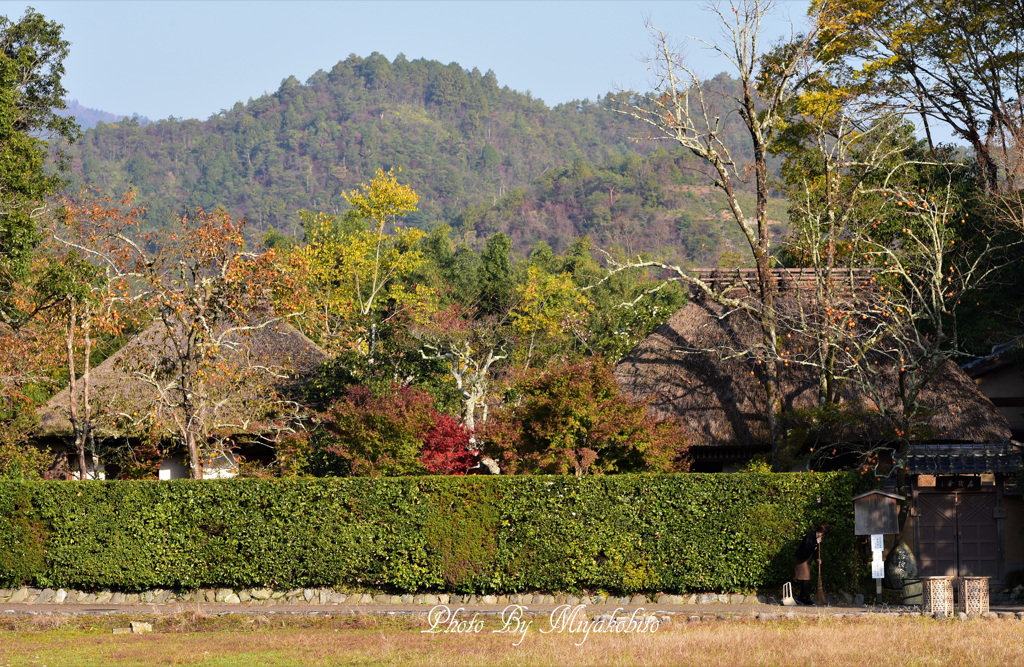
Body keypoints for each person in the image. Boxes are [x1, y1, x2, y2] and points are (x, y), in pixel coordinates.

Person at [794, 522, 828, 605]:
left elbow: (814, 551)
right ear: (820, 532)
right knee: (806, 578)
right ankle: (807, 598)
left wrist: (817, 559)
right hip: (802, 559)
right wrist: (816, 542)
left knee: (805, 578)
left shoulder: (816, 538)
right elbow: (807, 546)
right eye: (823, 534)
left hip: (807, 560)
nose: (822, 536)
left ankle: (801, 597)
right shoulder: (810, 535)